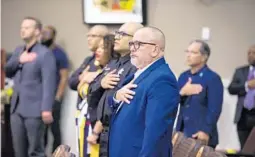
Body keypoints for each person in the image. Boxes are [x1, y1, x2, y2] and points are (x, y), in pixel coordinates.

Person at [108, 26, 179, 157]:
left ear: (155, 50)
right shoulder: (139, 73)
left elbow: (156, 134)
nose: (132, 48)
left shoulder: (162, 80)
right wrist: (116, 97)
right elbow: (115, 103)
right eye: (132, 44)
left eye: (138, 44)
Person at [87, 22, 143, 157]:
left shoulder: (137, 66)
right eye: (117, 33)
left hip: (122, 134)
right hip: (106, 134)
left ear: (136, 40)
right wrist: (101, 83)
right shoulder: (113, 63)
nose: (116, 37)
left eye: (122, 34)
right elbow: (91, 92)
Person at [5, 16, 57, 157]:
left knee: (35, 150)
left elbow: (49, 82)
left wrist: (46, 109)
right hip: (16, 108)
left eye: (27, 28)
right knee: (18, 151)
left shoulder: (45, 53)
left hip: (35, 109)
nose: (22, 30)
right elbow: (8, 70)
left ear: (37, 31)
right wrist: (19, 60)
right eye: (21, 28)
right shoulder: (18, 51)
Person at [175, 40, 223, 148]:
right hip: (182, 133)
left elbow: (214, 108)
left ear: (204, 57)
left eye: (193, 52)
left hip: (200, 134)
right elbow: (173, 101)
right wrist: (182, 92)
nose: (188, 55)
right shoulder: (183, 76)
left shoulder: (212, 78)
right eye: (187, 51)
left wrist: (205, 130)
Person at [72, 34, 114, 157]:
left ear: (111, 50)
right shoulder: (94, 70)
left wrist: (96, 132)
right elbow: (72, 81)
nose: (98, 50)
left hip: (94, 127)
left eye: (102, 47)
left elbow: (106, 105)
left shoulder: (109, 75)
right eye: (98, 47)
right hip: (82, 123)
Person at [40, 25, 69, 152]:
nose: (44, 36)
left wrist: (58, 97)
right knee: (41, 130)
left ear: (53, 36)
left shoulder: (59, 53)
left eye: (47, 33)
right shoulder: (39, 52)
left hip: (54, 97)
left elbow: (64, 77)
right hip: (39, 97)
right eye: (43, 33)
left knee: (55, 128)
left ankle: (58, 153)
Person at [228, 44, 255, 149]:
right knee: (244, 149)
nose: (251, 55)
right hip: (242, 116)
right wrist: (247, 85)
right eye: (249, 53)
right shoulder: (240, 71)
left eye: (254, 53)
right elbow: (231, 89)